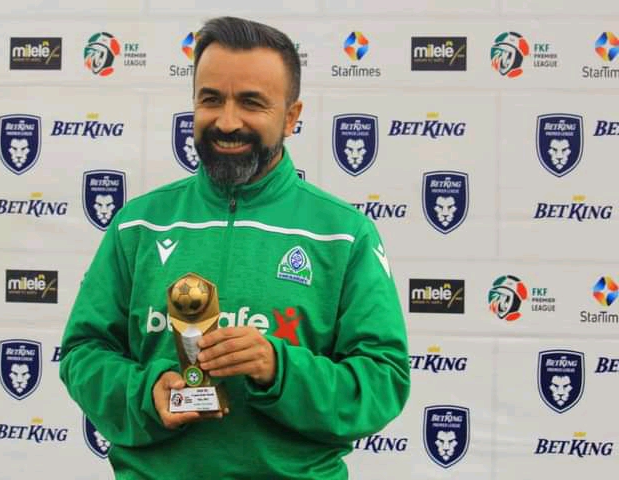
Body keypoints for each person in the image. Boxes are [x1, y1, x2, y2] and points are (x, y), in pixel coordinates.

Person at [60, 16, 410, 480]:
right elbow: (84, 353)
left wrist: (277, 367)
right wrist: (146, 392)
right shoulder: (138, 224)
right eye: (210, 99)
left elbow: (383, 382)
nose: (227, 121)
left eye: (251, 103)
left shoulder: (344, 234)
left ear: (291, 116)